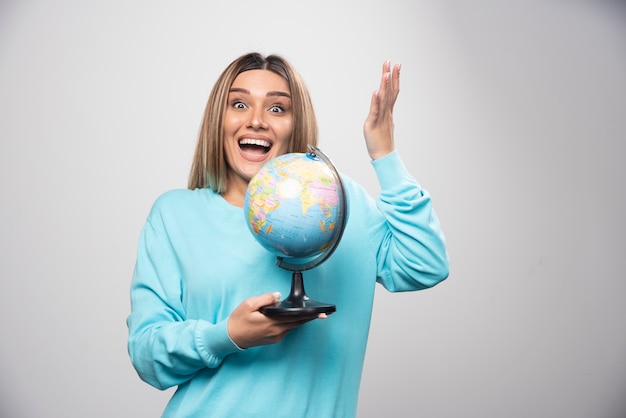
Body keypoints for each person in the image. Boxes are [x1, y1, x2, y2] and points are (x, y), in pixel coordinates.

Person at [127, 52, 449, 418]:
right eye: (239, 104)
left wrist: (384, 152)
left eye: (277, 109)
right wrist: (228, 335)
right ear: (219, 119)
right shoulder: (175, 215)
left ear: (296, 124)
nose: (257, 121)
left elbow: (426, 265)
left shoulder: (340, 203)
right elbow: (146, 354)